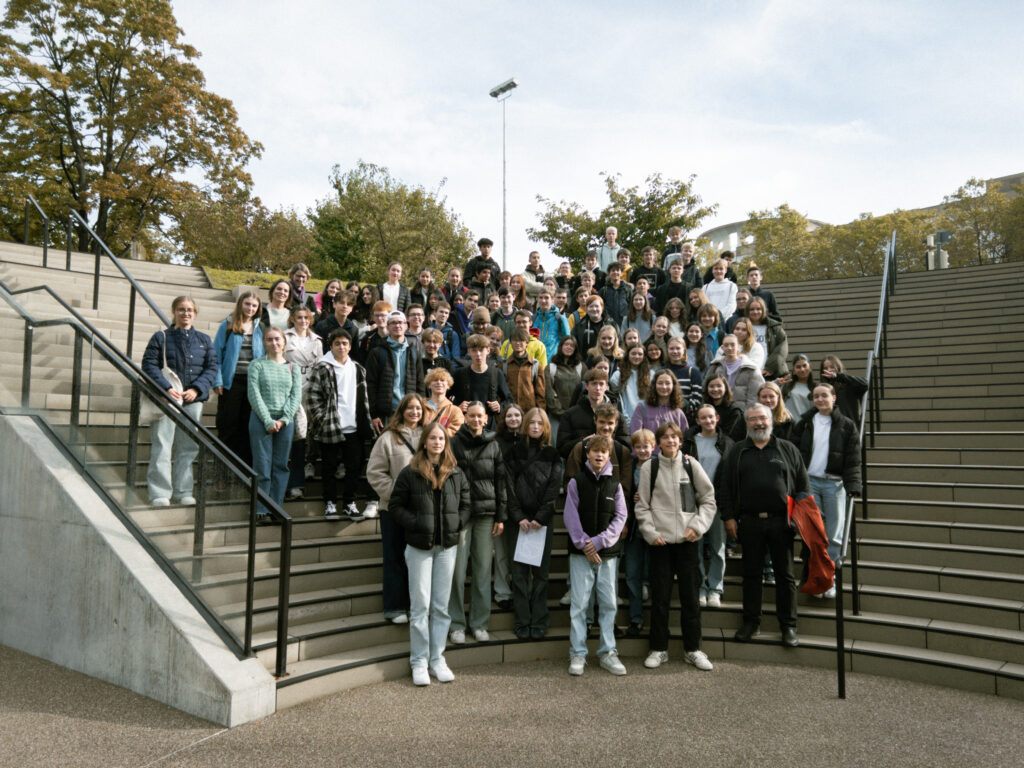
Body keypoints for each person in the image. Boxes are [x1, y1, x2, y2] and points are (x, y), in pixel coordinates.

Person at [720, 404, 809, 647]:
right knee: (751, 575)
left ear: (771, 421)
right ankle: (751, 623)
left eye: (762, 418)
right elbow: (725, 487)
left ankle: (788, 626)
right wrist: (728, 517)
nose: (758, 423)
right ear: (747, 423)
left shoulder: (788, 449)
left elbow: (802, 486)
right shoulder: (738, 451)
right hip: (749, 522)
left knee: (786, 576)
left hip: (783, 522)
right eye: (753, 419)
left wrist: (802, 520)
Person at [389, 422, 471, 685]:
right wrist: (416, 523)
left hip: (447, 547)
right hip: (419, 548)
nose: (437, 442)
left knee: (440, 606)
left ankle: (437, 658)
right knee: (420, 605)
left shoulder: (455, 473)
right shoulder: (410, 473)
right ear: (425, 441)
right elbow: (396, 506)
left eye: (441, 439)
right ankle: (419, 661)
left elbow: (467, 504)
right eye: (433, 438)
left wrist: (457, 523)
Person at [635, 422, 717, 672]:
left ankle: (693, 649)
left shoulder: (692, 466)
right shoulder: (651, 466)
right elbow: (642, 505)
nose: (670, 441)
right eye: (665, 437)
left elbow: (708, 500)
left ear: (681, 441)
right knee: (660, 599)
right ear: (658, 442)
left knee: (691, 598)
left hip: (687, 541)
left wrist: (698, 527)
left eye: (674, 437)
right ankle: (659, 649)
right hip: (660, 543)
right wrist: (651, 532)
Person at [142, 296, 218, 507]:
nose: (186, 313)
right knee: (162, 445)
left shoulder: (204, 340)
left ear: (195, 313)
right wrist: (165, 388)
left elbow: (212, 368)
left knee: (188, 447)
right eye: (181, 309)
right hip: (167, 399)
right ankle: (159, 493)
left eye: (190, 310)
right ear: (174, 311)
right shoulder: (161, 337)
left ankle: (184, 491)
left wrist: (197, 388)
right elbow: (149, 365)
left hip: (193, 400)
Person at [564, 436, 628, 676]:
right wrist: (584, 544)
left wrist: (599, 542)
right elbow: (570, 516)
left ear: (609, 454)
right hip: (581, 555)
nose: (599, 456)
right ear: (588, 454)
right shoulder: (576, 482)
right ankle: (578, 654)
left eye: (604, 452)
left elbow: (620, 517)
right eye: (595, 452)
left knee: (609, 604)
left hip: (608, 556)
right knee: (579, 605)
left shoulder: (616, 484)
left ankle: (608, 652)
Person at [790, 383, 863, 597]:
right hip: (809, 482)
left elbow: (853, 460)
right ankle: (817, 578)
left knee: (834, 534)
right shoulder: (804, 422)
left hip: (835, 484)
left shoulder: (847, 425)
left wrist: (853, 486)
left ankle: (830, 580)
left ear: (833, 398)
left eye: (824, 395)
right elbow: (794, 453)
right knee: (815, 534)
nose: (820, 399)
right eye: (816, 396)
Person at [447, 403, 507, 645]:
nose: (475, 419)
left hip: (485, 514)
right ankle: (456, 624)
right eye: (470, 415)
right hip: (460, 515)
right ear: (464, 418)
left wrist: (501, 516)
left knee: (482, 570)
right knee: (457, 572)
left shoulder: (493, 444)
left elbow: (500, 480)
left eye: (479, 416)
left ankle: (480, 623)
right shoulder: (453, 443)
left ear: (486, 419)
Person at [366, 394, 425, 624]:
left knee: (417, 559)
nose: (414, 412)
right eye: (409, 408)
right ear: (401, 411)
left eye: (418, 408)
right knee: (394, 557)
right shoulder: (388, 438)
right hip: (393, 509)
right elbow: (374, 471)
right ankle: (394, 607)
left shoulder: (428, 435)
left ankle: (415, 605)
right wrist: (395, 494)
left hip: (421, 509)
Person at [305, 328, 373, 519]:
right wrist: (321, 418)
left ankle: (349, 502)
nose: (341, 347)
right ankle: (330, 503)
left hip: (354, 427)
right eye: (337, 343)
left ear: (350, 346)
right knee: (329, 467)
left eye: (345, 343)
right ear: (331, 346)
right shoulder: (323, 367)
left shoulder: (358, 368)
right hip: (332, 426)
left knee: (354, 466)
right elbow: (312, 395)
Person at [505, 408, 560, 639]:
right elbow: (507, 486)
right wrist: (519, 517)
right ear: (525, 425)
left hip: (541, 524)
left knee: (540, 574)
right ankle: (522, 619)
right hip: (518, 523)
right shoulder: (513, 452)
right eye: (532, 423)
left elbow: (553, 489)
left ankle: (539, 619)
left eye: (540, 423)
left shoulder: (553, 454)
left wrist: (540, 517)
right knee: (518, 575)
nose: (535, 426)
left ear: (546, 427)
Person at [246, 327, 302, 520]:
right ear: (264, 343)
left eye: (277, 339)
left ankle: (276, 508)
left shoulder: (293, 367)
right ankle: (261, 509)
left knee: (280, 465)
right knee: (262, 466)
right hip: (261, 419)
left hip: (285, 422)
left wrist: (283, 420)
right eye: (269, 340)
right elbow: (254, 394)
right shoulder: (257, 365)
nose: (274, 343)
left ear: (284, 342)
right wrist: (268, 420)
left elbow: (295, 396)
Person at [683, 403, 734, 608]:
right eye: (703, 418)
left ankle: (715, 589)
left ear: (717, 418)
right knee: (695, 549)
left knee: (717, 548)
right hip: (693, 503)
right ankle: (700, 589)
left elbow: (730, 476)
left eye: (711, 417)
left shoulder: (727, 443)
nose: (708, 421)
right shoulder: (688, 442)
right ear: (697, 421)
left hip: (716, 503)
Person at [213, 291, 265, 466]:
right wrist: (218, 380)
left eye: (254, 305)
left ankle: (244, 470)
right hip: (231, 382)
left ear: (258, 308)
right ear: (240, 304)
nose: (250, 308)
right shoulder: (227, 326)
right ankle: (223, 470)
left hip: (253, 383)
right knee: (228, 426)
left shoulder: (261, 328)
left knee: (247, 427)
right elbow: (216, 356)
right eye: (247, 304)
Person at [283, 305, 323, 499]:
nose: (303, 321)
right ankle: (289, 483)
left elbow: (321, 367)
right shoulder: (284, 337)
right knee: (293, 437)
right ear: (292, 319)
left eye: (306, 318)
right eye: (299, 317)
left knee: (306, 435)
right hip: (289, 389)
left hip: (311, 391)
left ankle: (301, 477)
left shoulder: (316, 341)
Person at [365, 310, 425, 435]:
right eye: (393, 323)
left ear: (406, 326)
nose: (397, 326)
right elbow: (371, 385)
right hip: (386, 413)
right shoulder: (377, 352)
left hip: (409, 411)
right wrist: (374, 414)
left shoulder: (414, 352)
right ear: (387, 327)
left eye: (400, 323)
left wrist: (421, 409)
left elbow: (420, 383)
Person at [622, 428, 655, 637]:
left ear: (654, 447)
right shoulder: (630, 467)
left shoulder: (660, 466)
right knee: (632, 573)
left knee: (654, 574)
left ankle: (656, 622)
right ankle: (636, 619)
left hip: (655, 528)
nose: (643, 450)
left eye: (646, 446)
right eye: (639, 447)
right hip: (634, 528)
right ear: (633, 449)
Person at [557, 369, 631, 458]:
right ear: (586, 386)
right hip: (580, 467)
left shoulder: (617, 415)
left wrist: (610, 443)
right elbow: (562, 449)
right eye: (594, 383)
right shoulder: (570, 414)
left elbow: (626, 448)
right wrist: (583, 442)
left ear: (606, 386)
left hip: (611, 467)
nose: (598, 388)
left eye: (601, 384)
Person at [452, 333, 512, 431]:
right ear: (468, 352)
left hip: (490, 428)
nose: (478, 354)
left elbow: (509, 399)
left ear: (488, 350)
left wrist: (499, 407)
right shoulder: (459, 374)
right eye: (474, 351)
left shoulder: (496, 373)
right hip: (465, 428)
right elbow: (445, 398)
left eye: (481, 350)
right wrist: (457, 407)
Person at [705, 334, 764, 412]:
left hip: (742, 413)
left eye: (733, 345)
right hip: (719, 413)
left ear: (739, 346)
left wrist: (749, 415)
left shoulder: (750, 368)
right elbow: (705, 389)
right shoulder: (715, 366)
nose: (729, 348)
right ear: (722, 348)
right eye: (726, 345)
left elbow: (754, 396)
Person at [545, 336, 584, 445]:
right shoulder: (551, 368)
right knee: (556, 444)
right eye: (566, 344)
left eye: (572, 345)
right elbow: (549, 392)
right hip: (556, 416)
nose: (569, 347)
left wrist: (574, 413)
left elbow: (584, 391)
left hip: (576, 416)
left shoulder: (581, 367)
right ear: (561, 346)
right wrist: (561, 413)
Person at [630, 367, 690, 437]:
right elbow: (634, 436)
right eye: (660, 383)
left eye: (667, 383)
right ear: (654, 385)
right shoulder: (642, 408)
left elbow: (684, 441)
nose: (664, 387)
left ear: (673, 386)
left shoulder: (678, 413)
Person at [502, 328, 546, 412]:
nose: (518, 343)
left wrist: (540, 413)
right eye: (515, 340)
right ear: (510, 342)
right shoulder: (503, 365)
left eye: (521, 340)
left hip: (530, 412)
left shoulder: (535, 365)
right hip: (509, 412)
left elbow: (540, 394)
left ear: (527, 343)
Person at [746, 297, 788, 379]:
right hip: (750, 373)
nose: (755, 312)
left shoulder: (774, 327)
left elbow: (781, 349)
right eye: (752, 309)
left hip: (771, 373)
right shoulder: (743, 327)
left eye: (758, 309)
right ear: (747, 311)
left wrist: (769, 367)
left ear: (764, 310)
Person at [820, 355, 868, 423]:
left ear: (838, 367)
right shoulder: (823, 389)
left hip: (849, 428)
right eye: (825, 368)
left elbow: (865, 384)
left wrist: (838, 376)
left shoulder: (848, 385)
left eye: (832, 367)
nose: (829, 370)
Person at [612, 342, 650, 423]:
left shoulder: (651, 375)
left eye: (640, 354)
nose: (636, 356)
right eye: (633, 353)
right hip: (625, 422)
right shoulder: (617, 375)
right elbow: (615, 400)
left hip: (647, 421)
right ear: (628, 355)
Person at [702, 373, 746, 442]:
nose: (715, 389)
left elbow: (729, 436)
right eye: (711, 386)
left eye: (719, 386)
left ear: (725, 388)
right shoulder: (703, 409)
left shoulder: (734, 411)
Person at [423, 367, 463, 438]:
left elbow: (455, 432)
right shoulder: (419, 407)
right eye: (435, 380)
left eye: (442, 380)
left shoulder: (455, 411)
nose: (439, 382)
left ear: (448, 385)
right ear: (429, 385)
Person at [532, 289, 570, 363]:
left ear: (552, 299)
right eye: (541, 297)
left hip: (553, 361)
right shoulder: (534, 318)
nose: (543, 301)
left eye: (546, 298)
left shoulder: (560, 319)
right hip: (535, 361)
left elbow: (567, 341)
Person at [781, 353, 815, 419]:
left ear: (810, 367)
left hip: (806, 427)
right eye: (798, 367)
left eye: (804, 366)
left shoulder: (816, 388)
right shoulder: (786, 386)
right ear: (794, 371)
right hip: (788, 426)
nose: (802, 369)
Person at [704, 259, 738, 323]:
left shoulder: (732, 286)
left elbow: (732, 305)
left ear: (725, 270)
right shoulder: (706, 287)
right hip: (709, 322)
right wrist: (710, 317)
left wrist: (717, 316)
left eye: (721, 269)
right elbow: (704, 305)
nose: (718, 271)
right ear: (712, 271)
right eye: (716, 269)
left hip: (726, 321)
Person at [598, 262, 632, 327]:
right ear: (609, 273)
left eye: (617, 270)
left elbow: (632, 306)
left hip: (624, 323)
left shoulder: (627, 290)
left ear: (621, 273)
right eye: (613, 270)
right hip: (607, 324)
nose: (615, 272)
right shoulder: (603, 290)